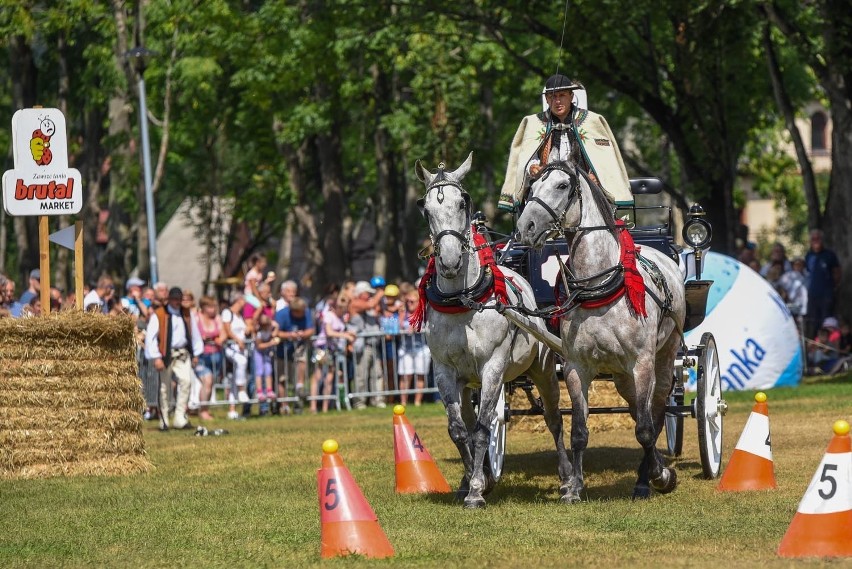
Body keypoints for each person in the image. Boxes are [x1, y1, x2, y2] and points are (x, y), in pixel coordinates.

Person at [498, 73, 631, 213]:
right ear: (546, 99)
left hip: (586, 189)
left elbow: (603, 158)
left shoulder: (593, 121)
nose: (557, 101)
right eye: (552, 97)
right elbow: (524, 157)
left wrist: (595, 175)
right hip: (546, 191)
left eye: (562, 95)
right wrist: (532, 167)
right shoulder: (533, 123)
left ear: (571, 96)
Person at [144, 287, 204, 431]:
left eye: (179, 299)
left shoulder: (186, 314)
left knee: (186, 382)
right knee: (164, 388)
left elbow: (194, 334)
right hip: (165, 354)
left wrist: (196, 353)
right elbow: (151, 337)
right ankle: (164, 419)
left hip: (182, 353)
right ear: (169, 299)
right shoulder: (159, 314)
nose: (177, 302)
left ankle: (179, 417)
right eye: (175, 299)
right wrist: (156, 357)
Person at [309, 295, 355, 413]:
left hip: (332, 350)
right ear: (335, 308)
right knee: (318, 377)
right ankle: (313, 406)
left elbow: (339, 330)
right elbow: (329, 332)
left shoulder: (339, 318)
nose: (343, 311)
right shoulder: (328, 316)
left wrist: (348, 333)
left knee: (329, 379)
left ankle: (325, 407)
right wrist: (344, 335)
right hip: (322, 348)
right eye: (341, 308)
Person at [349, 281, 387, 409]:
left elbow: (375, 308)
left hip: (374, 344)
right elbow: (370, 304)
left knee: (377, 373)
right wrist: (380, 293)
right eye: (368, 293)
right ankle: (360, 402)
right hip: (362, 346)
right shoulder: (355, 303)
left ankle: (377, 399)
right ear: (360, 293)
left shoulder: (369, 304)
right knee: (361, 374)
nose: (370, 295)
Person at [274, 296, 314, 413]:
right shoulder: (281, 315)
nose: (302, 315)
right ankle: (284, 406)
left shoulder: (305, 311)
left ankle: (299, 393)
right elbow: (276, 332)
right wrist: (290, 335)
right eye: (300, 313)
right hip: (282, 350)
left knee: (301, 360)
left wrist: (302, 334)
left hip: (298, 347)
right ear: (293, 311)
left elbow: (311, 329)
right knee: (282, 378)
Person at [804, 229, 841, 339]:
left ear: (822, 240)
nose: (816, 241)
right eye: (813, 239)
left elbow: (837, 272)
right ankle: (815, 348)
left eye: (818, 238)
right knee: (814, 322)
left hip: (826, 294)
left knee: (826, 322)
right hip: (812, 294)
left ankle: (828, 348)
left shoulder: (829, 255)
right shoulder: (808, 255)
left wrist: (832, 287)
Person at [195, 295, 226, 421]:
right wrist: (202, 338)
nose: (213, 309)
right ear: (203, 307)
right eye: (210, 307)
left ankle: (204, 409)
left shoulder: (217, 318)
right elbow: (194, 334)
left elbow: (223, 333)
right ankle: (203, 410)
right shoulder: (197, 318)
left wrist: (220, 339)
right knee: (207, 382)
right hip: (202, 356)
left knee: (210, 383)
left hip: (216, 355)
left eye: (214, 306)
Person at [398, 289, 431, 406]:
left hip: (421, 348)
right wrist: (401, 316)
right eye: (408, 301)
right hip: (405, 349)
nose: (409, 304)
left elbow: (425, 327)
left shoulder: (424, 313)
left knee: (420, 375)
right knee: (405, 376)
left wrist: (416, 328)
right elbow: (398, 327)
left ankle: (417, 402)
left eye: (412, 301)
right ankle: (403, 402)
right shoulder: (403, 313)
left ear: (418, 301)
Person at [222, 292, 251, 419]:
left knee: (233, 378)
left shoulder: (241, 316)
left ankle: (232, 410)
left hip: (242, 350)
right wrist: (237, 340)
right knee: (241, 362)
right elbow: (227, 330)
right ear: (238, 300)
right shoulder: (227, 313)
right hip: (231, 348)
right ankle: (241, 389)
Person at [253, 311, 280, 404]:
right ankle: (259, 391)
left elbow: (274, 334)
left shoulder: (269, 329)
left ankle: (269, 390)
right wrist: (270, 343)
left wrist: (276, 326)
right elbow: (259, 346)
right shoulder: (259, 333)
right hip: (259, 352)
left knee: (268, 370)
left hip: (267, 352)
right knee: (259, 371)